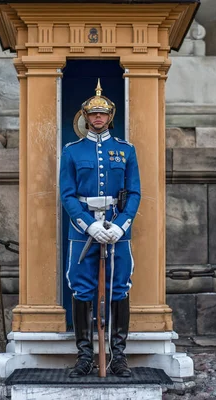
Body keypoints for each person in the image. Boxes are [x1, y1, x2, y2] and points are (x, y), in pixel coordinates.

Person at [60, 80, 141, 378]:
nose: (98, 119)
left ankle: (117, 356)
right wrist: (90, 225)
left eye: (103, 114)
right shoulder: (72, 152)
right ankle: (84, 356)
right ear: (84, 115)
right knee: (82, 288)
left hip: (117, 230)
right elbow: (67, 195)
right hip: (82, 231)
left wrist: (120, 227)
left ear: (110, 117)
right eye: (93, 114)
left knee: (119, 288)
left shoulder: (125, 151)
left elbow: (134, 193)